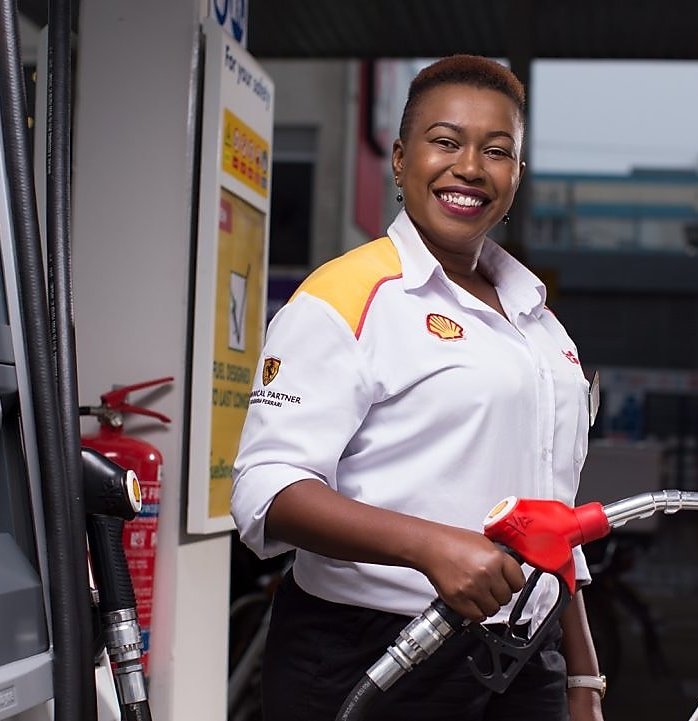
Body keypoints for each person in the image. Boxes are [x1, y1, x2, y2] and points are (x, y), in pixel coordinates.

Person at [231, 54, 605, 721]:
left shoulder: (541, 324)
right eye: (446, 142)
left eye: (497, 150)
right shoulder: (346, 297)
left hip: (523, 657)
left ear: (517, 173)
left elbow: (557, 519)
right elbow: (267, 492)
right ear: (401, 159)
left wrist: (582, 675)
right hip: (371, 647)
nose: (470, 167)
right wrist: (428, 544)